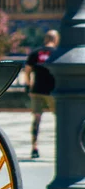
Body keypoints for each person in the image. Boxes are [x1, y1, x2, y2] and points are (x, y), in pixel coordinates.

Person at [24, 29, 59, 159]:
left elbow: (27, 71)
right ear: (55, 40)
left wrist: (29, 84)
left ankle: (34, 147)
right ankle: (60, 146)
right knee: (60, 119)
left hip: (37, 90)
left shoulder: (35, 53)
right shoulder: (57, 53)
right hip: (53, 92)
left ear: (45, 39)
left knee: (37, 119)